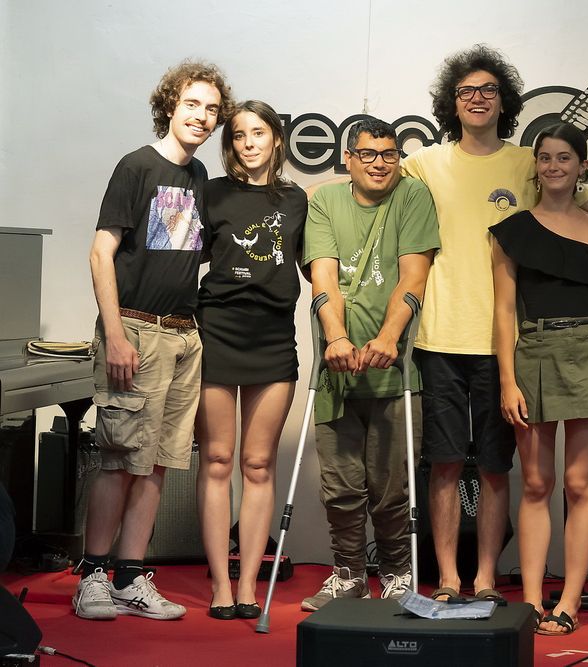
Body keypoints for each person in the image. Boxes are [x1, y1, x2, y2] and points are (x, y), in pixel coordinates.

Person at [402, 44, 588, 602]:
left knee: (498, 467)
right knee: (445, 463)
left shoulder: (528, 162)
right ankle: (449, 578)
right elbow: (366, 183)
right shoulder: (425, 163)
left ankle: (487, 578)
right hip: (441, 336)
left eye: (488, 90)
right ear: (452, 102)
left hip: (509, 346)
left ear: (504, 101)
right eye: (467, 91)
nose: (477, 99)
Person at [74, 61, 233, 620]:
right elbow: (101, 253)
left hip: (184, 336)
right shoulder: (136, 166)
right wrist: (116, 335)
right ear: (170, 106)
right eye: (192, 104)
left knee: (158, 462)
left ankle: (128, 577)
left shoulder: (198, 177)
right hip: (136, 331)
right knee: (120, 459)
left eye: (211, 109)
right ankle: (92, 575)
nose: (202, 117)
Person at [300, 117, 439, 609]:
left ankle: (397, 573)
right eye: (368, 154)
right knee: (340, 487)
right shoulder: (325, 201)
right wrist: (336, 337)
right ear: (349, 159)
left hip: (396, 370)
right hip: (336, 370)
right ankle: (349, 575)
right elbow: (324, 279)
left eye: (389, 154)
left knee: (392, 487)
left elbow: (413, 278)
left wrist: (387, 337)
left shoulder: (413, 196)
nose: (379, 163)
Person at [490, 122, 588, 635]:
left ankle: (570, 601)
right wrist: (507, 380)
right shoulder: (511, 230)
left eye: (565, 157)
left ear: (582, 166)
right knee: (537, 483)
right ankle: (531, 599)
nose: (554, 166)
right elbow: (503, 312)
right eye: (545, 157)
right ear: (535, 166)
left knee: (579, 484)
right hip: (534, 352)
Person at [195, 100, 307, 621]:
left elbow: (318, 265)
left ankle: (247, 584)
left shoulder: (295, 199)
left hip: (272, 337)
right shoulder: (211, 193)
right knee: (218, 460)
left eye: (258, 133)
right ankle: (220, 583)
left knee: (258, 463)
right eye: (239, 135)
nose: (248, 144)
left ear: (276, 139)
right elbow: (179, 254)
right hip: (218, 332)